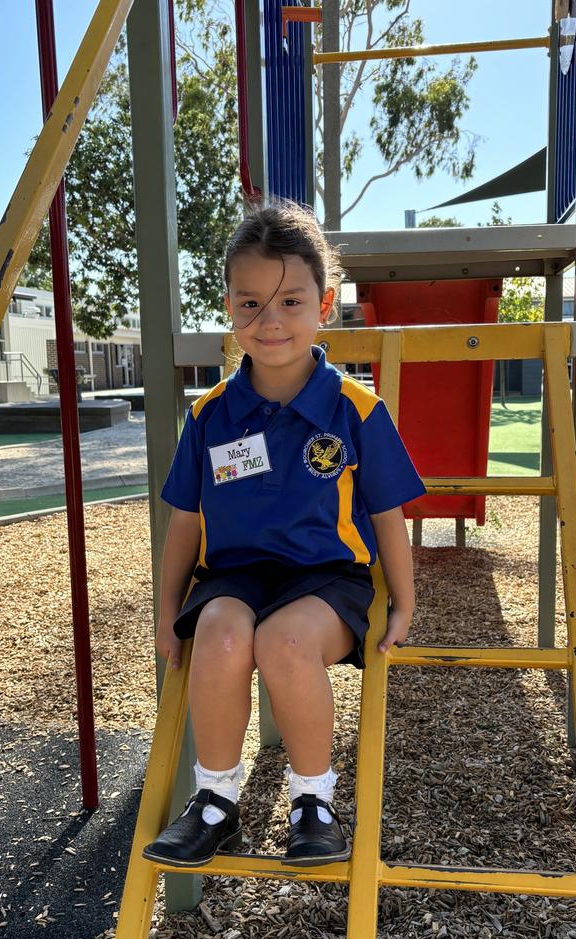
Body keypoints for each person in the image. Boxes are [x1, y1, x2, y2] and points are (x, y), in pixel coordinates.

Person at [143, 199, 425, 868]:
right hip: (235, 575)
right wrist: (165, 610)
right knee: (219, 632)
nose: (269, 321)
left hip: (326, 580)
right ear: (230, 307)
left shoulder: (355, 409)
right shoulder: (212, 416)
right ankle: (214, 800)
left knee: (286, 640)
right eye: (250, 303)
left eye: (290, 301)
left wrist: (405, 601)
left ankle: (313, 800)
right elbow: (185, 519)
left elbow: (388, 511)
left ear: (324, 305)